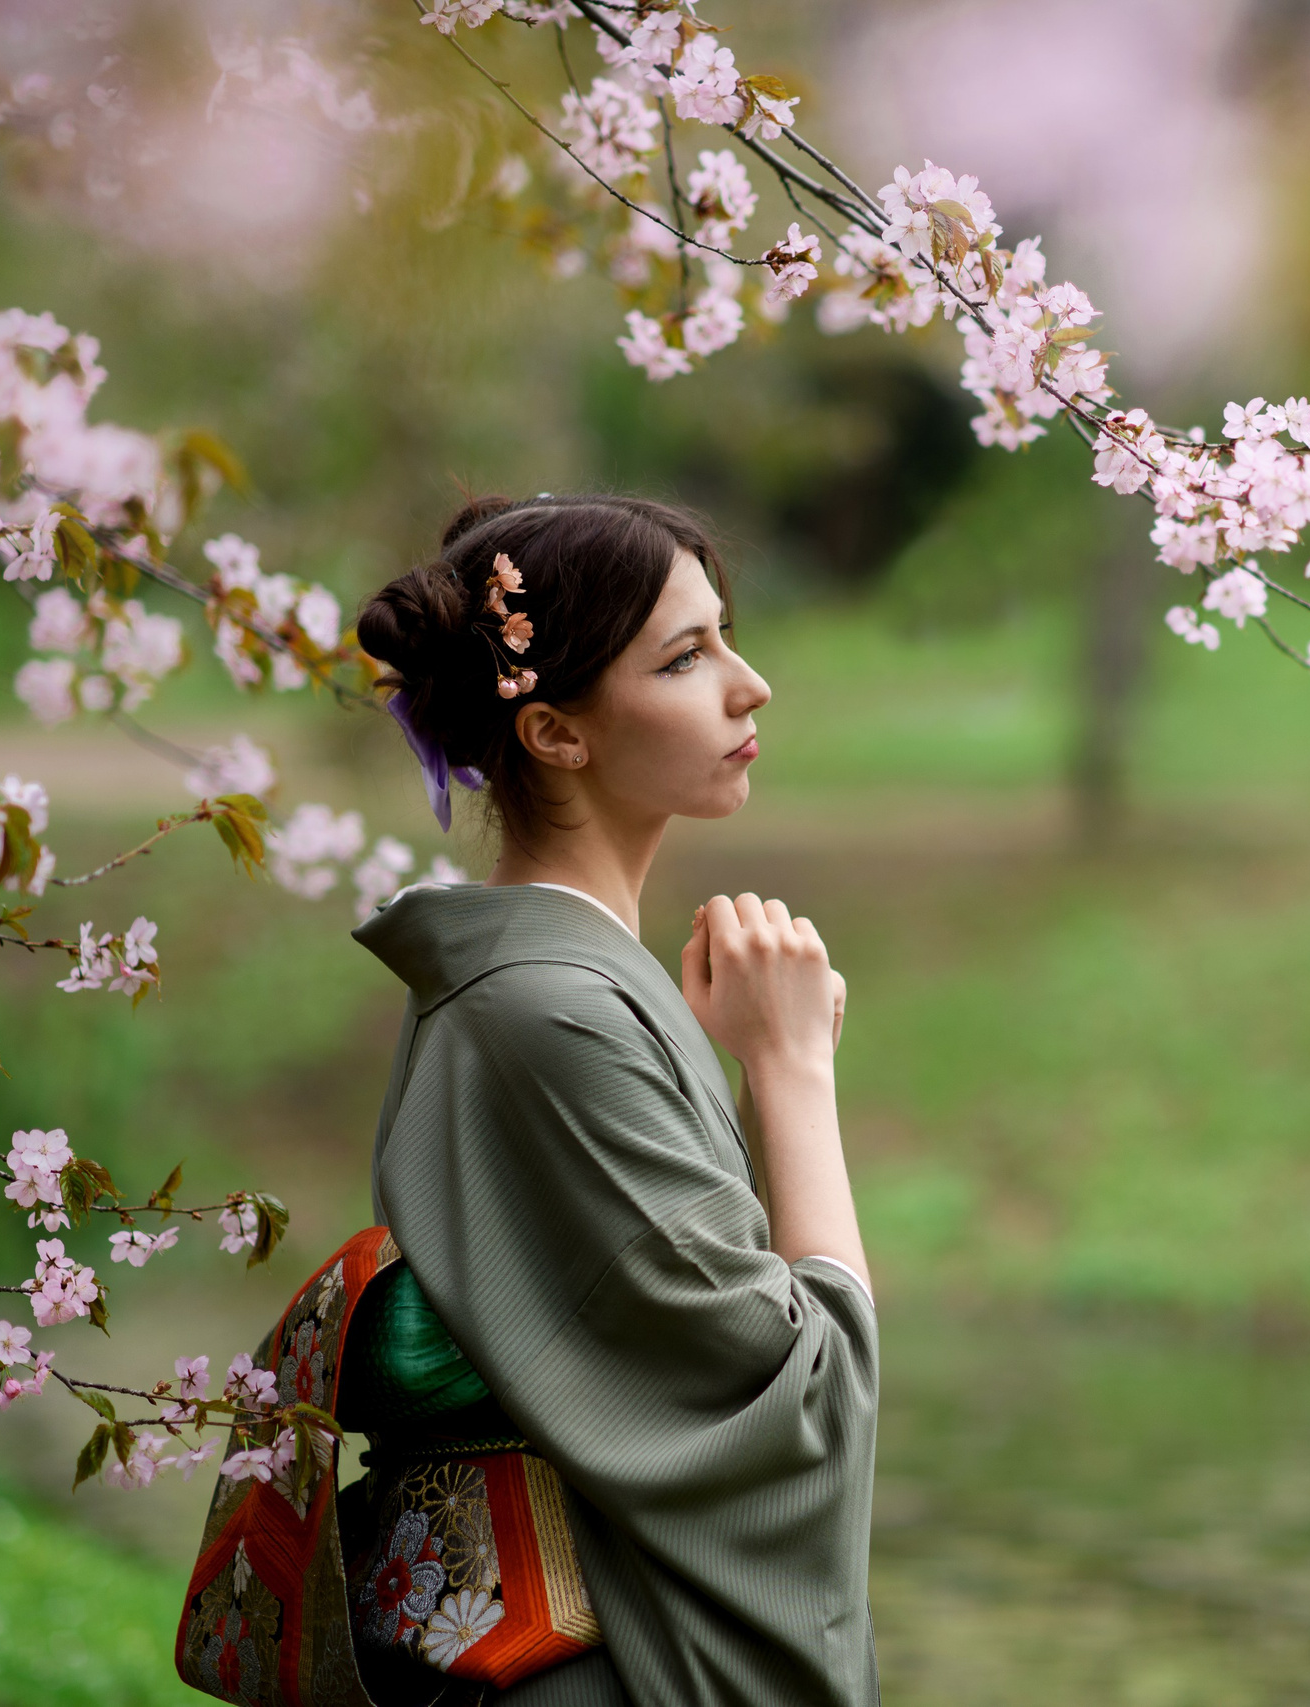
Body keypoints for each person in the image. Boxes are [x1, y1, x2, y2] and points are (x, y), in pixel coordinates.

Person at [346, 493, 878, 1707]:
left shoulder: (560, 993)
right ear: (554, 733)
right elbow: (796, 1401)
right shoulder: (549, 1011)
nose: (752, 686)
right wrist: (792, 1076)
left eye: (726, 637)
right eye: (686, 657)